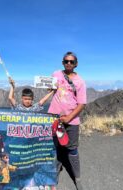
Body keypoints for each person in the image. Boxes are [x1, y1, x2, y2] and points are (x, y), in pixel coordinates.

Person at [48, 51, 86, 190]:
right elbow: (52, 89)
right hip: (54, 117)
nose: (68, 63)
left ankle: (77, 177)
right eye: (66, 61)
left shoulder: (80, 81)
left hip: (71, 120)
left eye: (71, 61)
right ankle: (54, 173)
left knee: (72, 149)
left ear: (76, 64)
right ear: (62, 62)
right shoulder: (56, 74)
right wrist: (49, 87)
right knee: (55, 146)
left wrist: (69, 117)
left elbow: (82, 103)